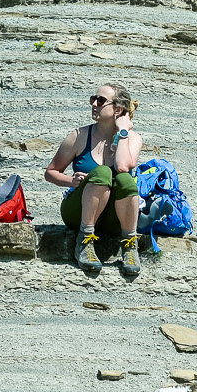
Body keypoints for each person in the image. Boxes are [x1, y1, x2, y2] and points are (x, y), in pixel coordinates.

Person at [45, 84, 144, 276]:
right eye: (93, 99)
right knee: (102, 173)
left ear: (118, 110)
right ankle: (85, 241)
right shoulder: (79, 136)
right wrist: (70, 180)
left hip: (113, 217)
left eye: (101, 100)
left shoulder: (133, 138)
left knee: (124, 179)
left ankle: (130, 246)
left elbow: (123, 167)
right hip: (78, 211)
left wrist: (122, 132)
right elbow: (50, 172)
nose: (94, 104)